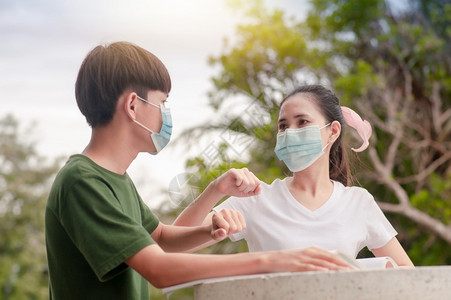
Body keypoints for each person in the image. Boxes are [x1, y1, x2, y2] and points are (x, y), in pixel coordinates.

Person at [44, 42, 353, 300]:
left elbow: (160, 239)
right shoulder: (82, 182)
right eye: (162, 102)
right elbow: (159, 270)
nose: (166, 114)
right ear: (132, 106)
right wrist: (274, 260)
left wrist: (213, 215)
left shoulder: (115, 179)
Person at [175, 84, 414, 267]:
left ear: (332, 131)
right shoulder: (255, 198)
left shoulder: (358, 202)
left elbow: (407, 276)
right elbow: (173, 246)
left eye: (302, 122)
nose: (290, 132)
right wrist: (215, 188)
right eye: (283, 126)